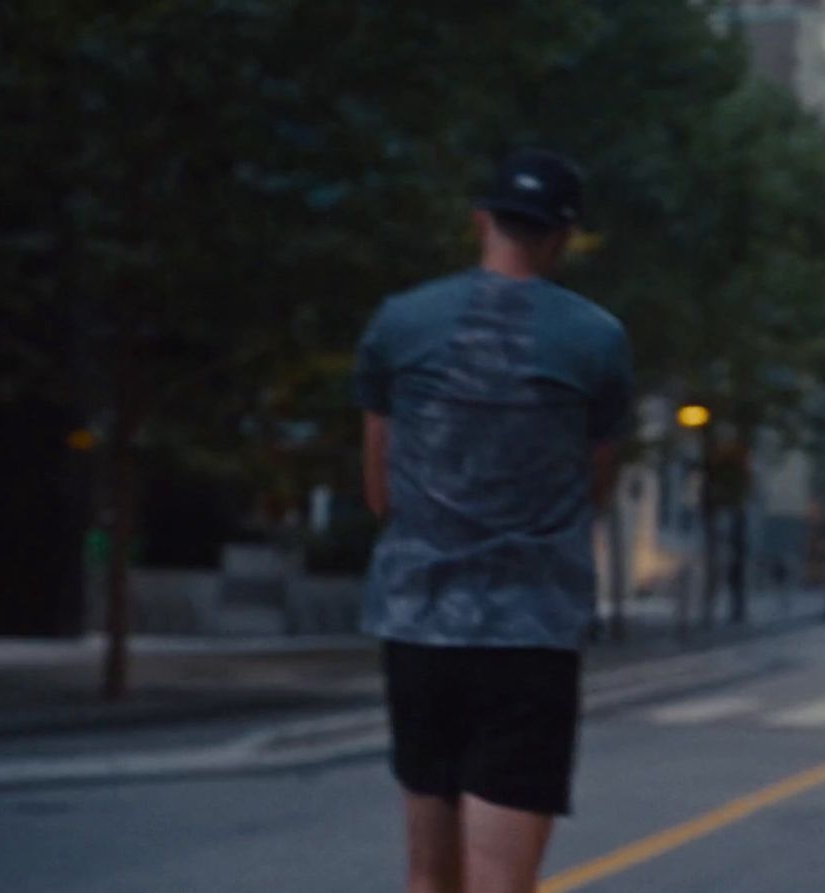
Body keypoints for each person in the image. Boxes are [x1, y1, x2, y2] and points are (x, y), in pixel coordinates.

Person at [353, 148, 634, 893]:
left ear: (481, 220)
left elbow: (379, 489)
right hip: (528, 633)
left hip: (418, 624)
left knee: (427, 877)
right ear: (563, 236)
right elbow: (594, 485)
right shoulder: (596, 340)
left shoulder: (399, 323)